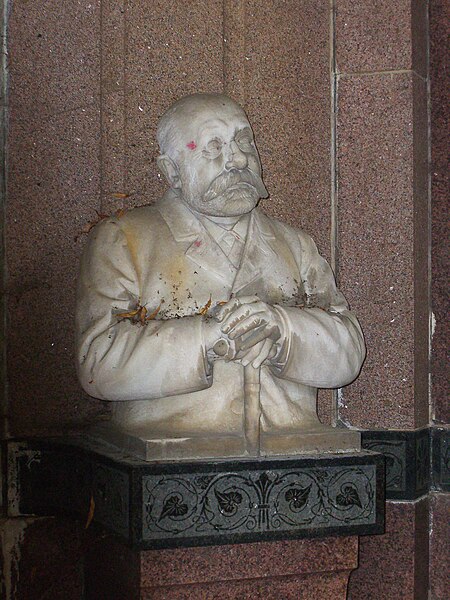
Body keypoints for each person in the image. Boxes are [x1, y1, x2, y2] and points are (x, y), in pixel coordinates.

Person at [76, 93, 365, 459]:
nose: (238, 159)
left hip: (293, 454)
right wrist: (209, 337)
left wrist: (283, 329)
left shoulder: (296, 245)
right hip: (170, 457)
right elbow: (98, 362)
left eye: (244, 142)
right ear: (171, 171)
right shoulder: (124, 240)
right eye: (213, 147)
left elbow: (349, 350)